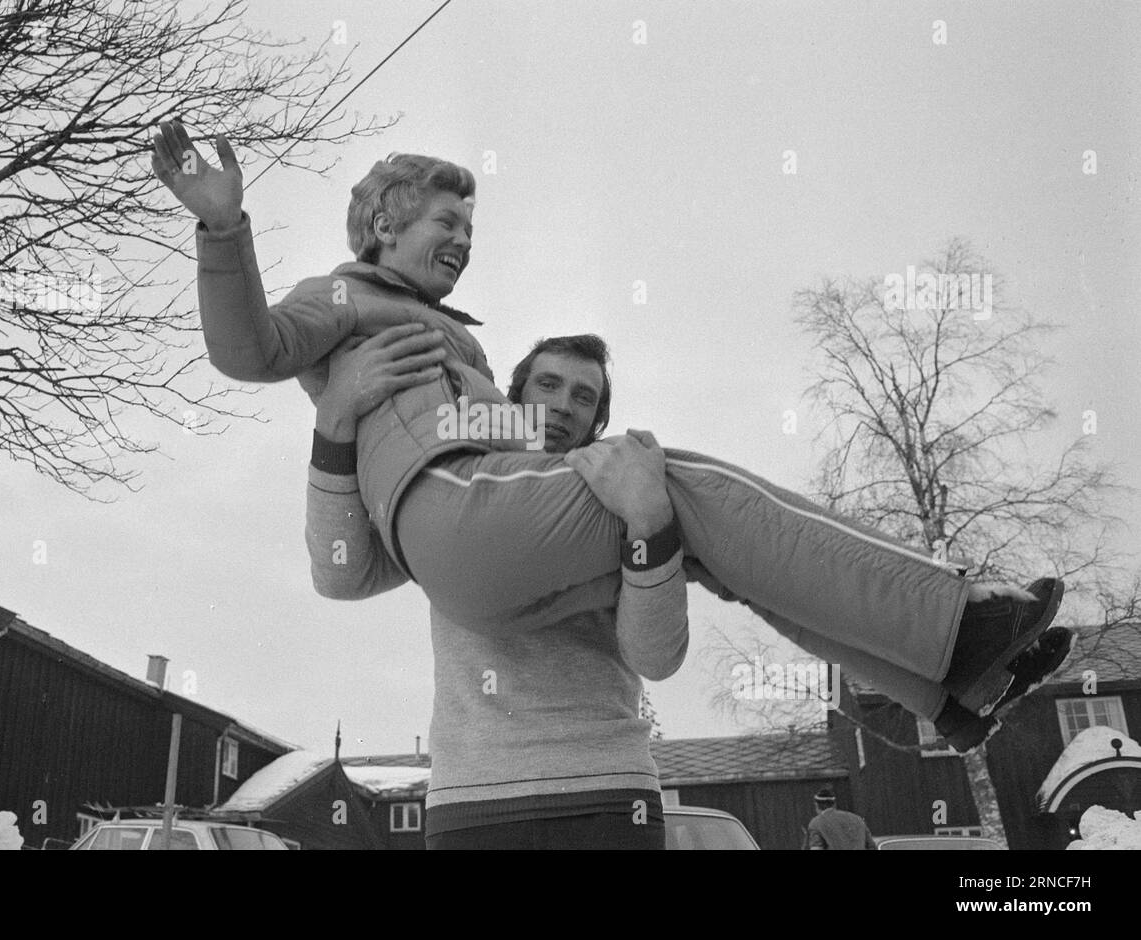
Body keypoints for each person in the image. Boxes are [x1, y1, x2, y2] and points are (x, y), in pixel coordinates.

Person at [150, 123, 1068, 751]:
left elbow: (493, 434)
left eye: (471, 227)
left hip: (480, 528)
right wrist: (224, 225)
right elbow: (250, 349)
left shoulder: (458, 346)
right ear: (384, 221)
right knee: (689, 482)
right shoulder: (345, 296)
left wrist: (586, 450)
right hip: (456, 518)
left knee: (700, 529)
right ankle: (954, 620)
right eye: (445, 221)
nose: (463, 239)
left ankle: (944, 690)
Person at [309, 331, 684, 849]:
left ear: (597, 422)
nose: (561, 406)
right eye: (548, 384)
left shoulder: (622, 495)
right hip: (472, 800)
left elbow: (657, 656)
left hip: (609, 793)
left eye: (583, 396)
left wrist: (650, 521)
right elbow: (340, 572)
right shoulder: (454, 496)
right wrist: (333, 423)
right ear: (512, 400)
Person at [806, 787, 877, 850]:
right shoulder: (857, 819)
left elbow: (817, 848)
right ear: (834, 804)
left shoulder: (816, 823)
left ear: (816, 805)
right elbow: (872, 847)